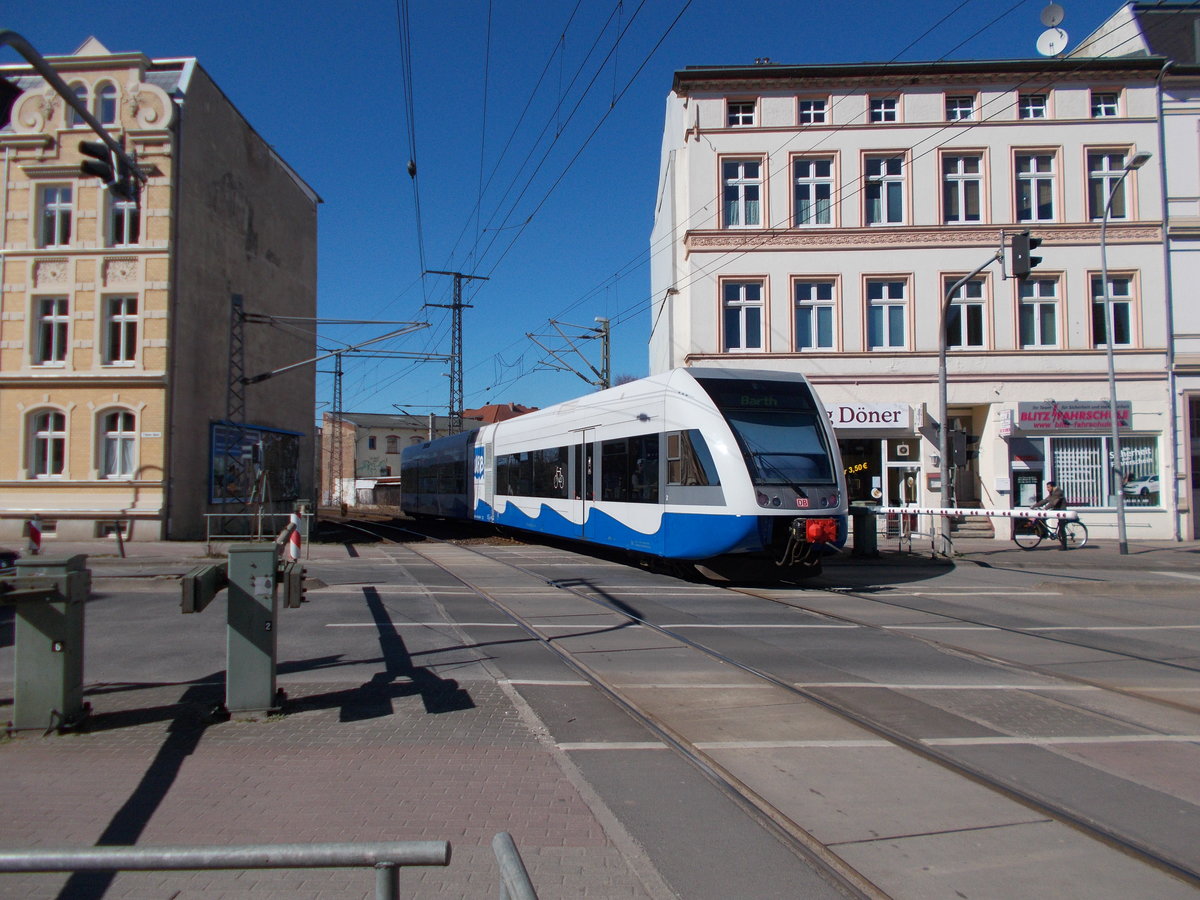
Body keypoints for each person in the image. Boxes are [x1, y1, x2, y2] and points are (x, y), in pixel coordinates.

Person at [1031, 480, 1068, 549]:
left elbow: (1053, 503)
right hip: (1056, 510)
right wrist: (1035, 505)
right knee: (1041, 518)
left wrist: (1045, 509)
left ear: (1053, 487)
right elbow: (1045, 500)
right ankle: (1043, 533)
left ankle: (1064, 546)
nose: (1047, 489)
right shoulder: (1052, 493)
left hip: (1061, 511)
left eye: (1048, 487)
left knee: (1061, 527)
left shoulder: (1058, 492)